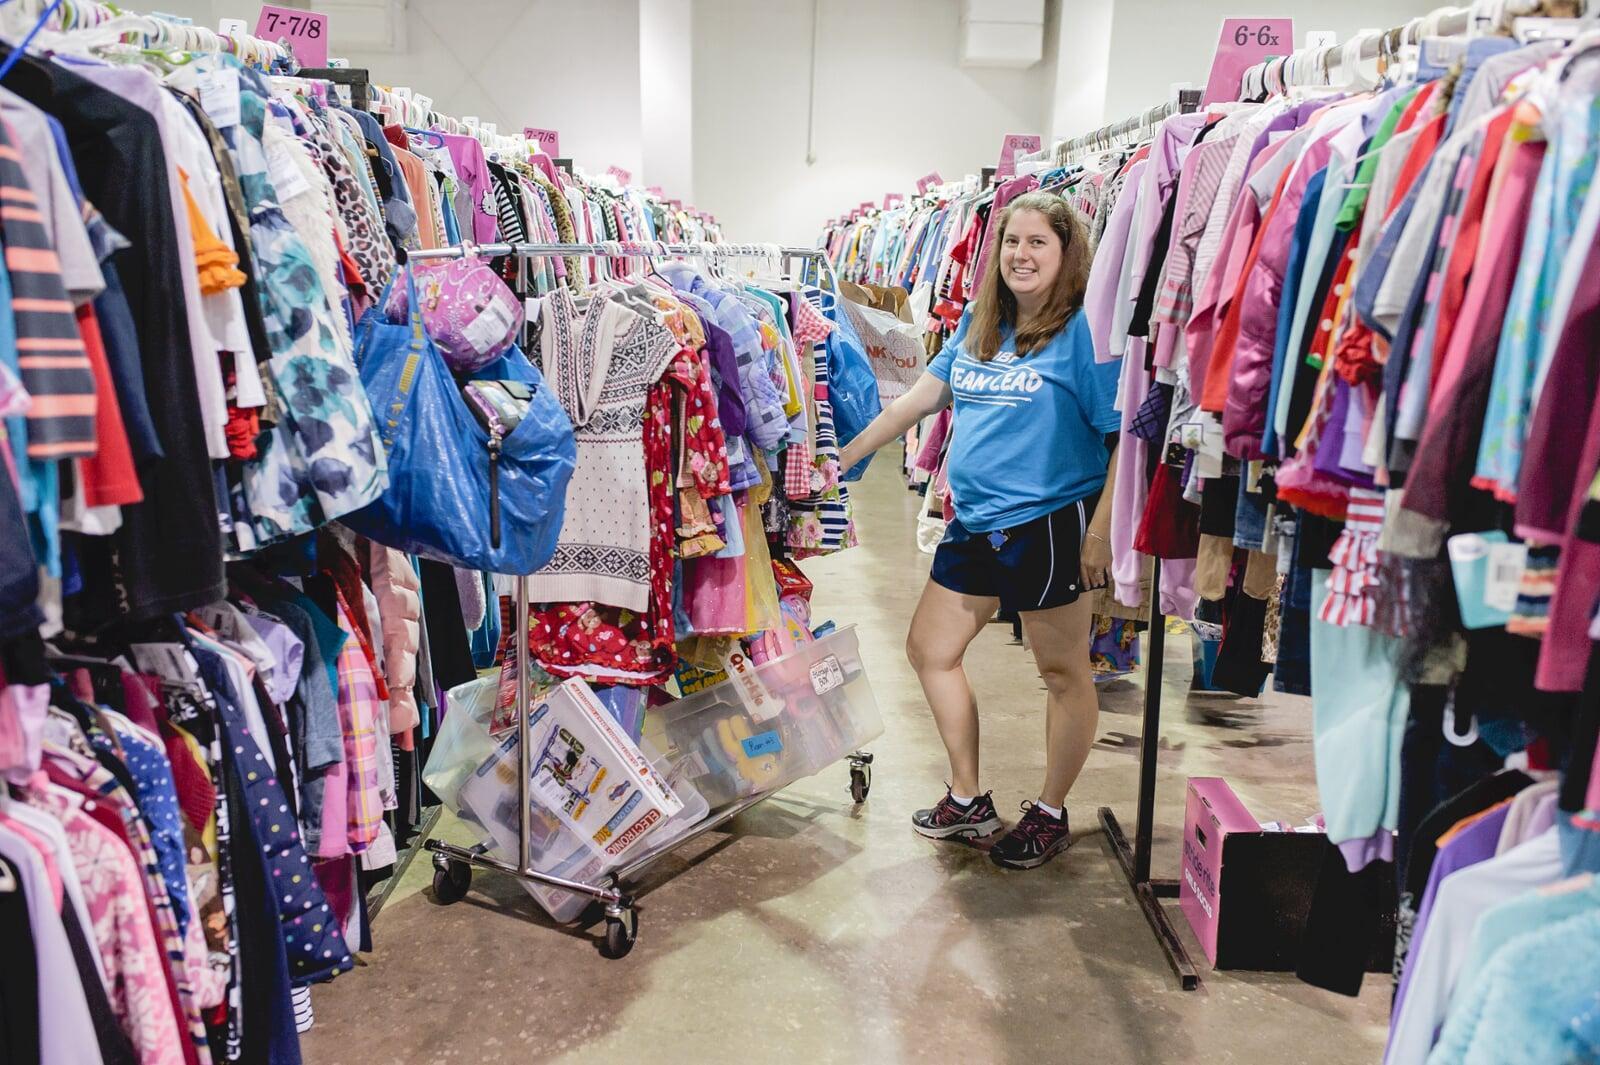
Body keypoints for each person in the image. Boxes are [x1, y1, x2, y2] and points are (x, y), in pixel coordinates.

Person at [839, 191, 1121, 870]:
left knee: (1062, 671)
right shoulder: (980, 321)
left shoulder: (1085, 332)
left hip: (1049, 523)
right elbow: (916, 402)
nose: (1020, 255)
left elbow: (1123, 442)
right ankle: (967, 799)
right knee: (929, 650)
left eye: (1037, 242)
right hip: (974, 520)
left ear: (1068, 254)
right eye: (1011, 241)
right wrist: (841, 459)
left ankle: (1051, 811)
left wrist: (1101, 534)